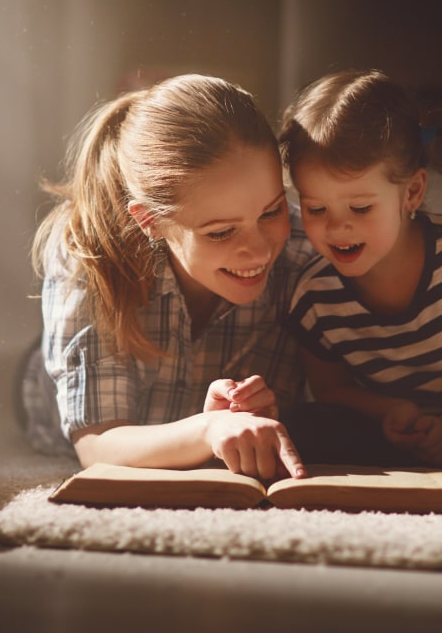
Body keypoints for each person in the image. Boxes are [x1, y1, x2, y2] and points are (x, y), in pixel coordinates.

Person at [20, 74, 314, 480]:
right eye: (221, 232)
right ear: (150, 221)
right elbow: (97, 444)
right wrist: (209, 428)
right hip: (57, 407)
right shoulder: (87, 257)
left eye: (272, 212)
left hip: (192, 409)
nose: (262, 249)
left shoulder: (303, 249)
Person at [277, 68, 442, 476]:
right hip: (389, 431)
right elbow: (331, 389)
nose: (336, 227)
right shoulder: (313, 294)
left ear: (412, 192)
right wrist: (391, 411)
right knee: (302, 424)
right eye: (316, 209)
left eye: (360, 208)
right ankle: (416, 458)